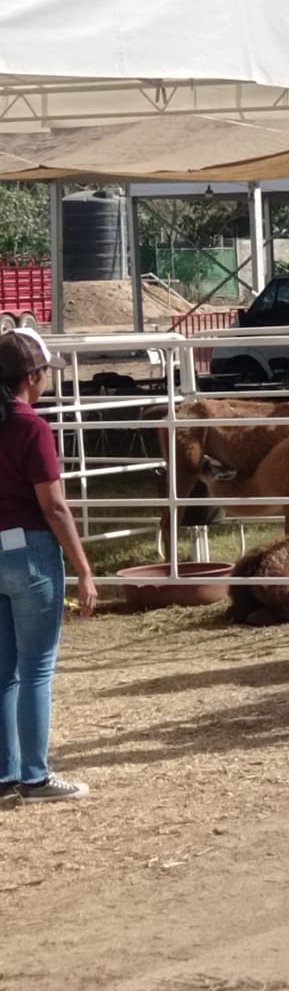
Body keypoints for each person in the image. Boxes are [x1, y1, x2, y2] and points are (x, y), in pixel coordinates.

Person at [0, 329, 94, 804]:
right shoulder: (30, 426)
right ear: (31, 377)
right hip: (31, 550)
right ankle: (34, 776)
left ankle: (4, 771)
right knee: (37, 669)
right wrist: (83, 565)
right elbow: (54, 506)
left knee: (4, 670)